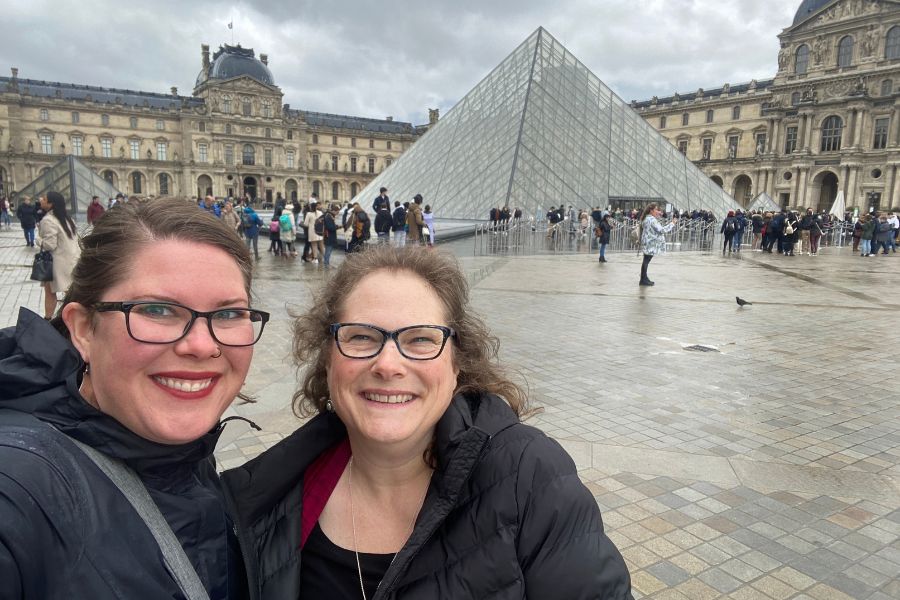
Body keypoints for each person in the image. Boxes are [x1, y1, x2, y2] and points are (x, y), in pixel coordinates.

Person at [220, 246, 633, 600]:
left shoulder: (531, 478)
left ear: (457, 363)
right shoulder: (264, 496)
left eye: (420, 339)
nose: (388, 364)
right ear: (328, 357)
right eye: (361, 336)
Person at [0, 197, 269, 598]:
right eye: (158, 310)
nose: (200, 345)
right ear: (85, 329)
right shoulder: (19, 486)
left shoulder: (176, 449)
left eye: (228, 314)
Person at [37, 192, 81, 319]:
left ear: (51, 204)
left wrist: (38, 240)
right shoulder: (68, 219)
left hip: (56, 263)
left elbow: (50, 245)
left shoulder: (48, 220)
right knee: (59, 291)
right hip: (71, 260)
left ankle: (51, 318)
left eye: (44, 199)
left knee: (57, 292)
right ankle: (50, 318)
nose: (41, 200)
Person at [638, 202, 676, 286]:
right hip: (650, 243)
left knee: (646, 260)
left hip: (647, 242)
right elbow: (662, 230)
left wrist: (658, 214)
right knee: (646, 261)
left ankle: (644, 278)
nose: (657, 211)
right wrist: (672, 223)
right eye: (656, 209)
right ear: (651, 210)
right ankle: (643, 279)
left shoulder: (646, 218)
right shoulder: (651, 220)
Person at [322, 203, 340, 267]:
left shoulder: (330, 216)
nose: (338, 213)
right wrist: (337, 227)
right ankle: (326, 264)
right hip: (328, 236)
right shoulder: (328, 217)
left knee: (328, 250)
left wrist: (336, 226)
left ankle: (327, 263)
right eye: (337, 212)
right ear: (334, 211)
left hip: (329, 236)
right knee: (328, 251)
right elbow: (330, 227)